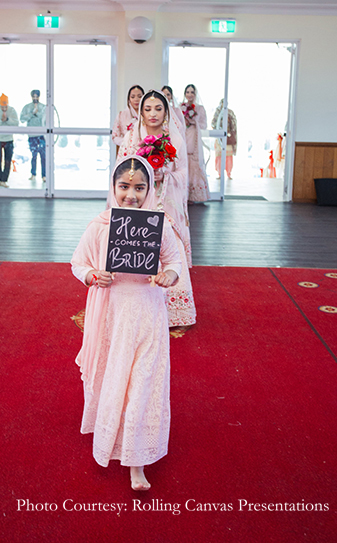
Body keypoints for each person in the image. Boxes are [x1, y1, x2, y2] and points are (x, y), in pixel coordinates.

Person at [71, 156, 181, 491]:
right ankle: (110, 442)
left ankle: (137, 463)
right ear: (113, 187)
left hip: (149, 312)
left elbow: (175, 261)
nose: (130, 194)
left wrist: (168, 275)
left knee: (145, 381)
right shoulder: (102, 225)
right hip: (114, 315)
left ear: (150, 189)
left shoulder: (159, 225)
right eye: (124, 187)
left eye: (139, 187)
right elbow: (78, 262)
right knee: (116, 377)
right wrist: (93, 275)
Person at [120, 90, 196, 327]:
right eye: (148, 109)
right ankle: (139, 309)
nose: (153, 114)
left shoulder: (176, 140)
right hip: (139, 202)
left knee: (171, 250)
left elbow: (184, 174)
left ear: (166, 112)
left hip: (167, 204)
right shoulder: (132, 138)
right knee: (140, 250)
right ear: (141, 112)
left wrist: (166, 175)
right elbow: (121, 170)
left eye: (158, 109)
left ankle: (175, 311)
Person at [180, 84, 211, 203]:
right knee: (184, 163)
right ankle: (183, 195)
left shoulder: (200, 108)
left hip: (194, 137)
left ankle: (194, 195)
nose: (189, 94)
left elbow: (204, 125)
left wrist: (193, 121)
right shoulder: (181, 107)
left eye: (192, 92)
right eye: (187, 92)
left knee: (193, 165)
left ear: (195, 94)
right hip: (184, 136)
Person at [0, 93, 19, 187]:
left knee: (8, 160)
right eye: (2, 106)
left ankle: (4, 180)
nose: (4, 108)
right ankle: (0, 179)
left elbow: (16, 124)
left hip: (8, 139)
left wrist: (7, 119)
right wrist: (1, 121)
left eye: (5, 106)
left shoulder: (12, 110)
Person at [20, 90, 47, 182]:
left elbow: (46, 119)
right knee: (33, 156)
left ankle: (44, 175)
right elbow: (22, 119)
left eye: (37, 96)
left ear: (39, 96)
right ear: (31, 96)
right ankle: (33, 174)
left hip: (42, 136)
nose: (35, 98)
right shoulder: (27, 107)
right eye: (33, 96)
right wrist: (31, 113)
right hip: (32, 135)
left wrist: (37, 113)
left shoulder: (43, 107)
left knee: (43, 156)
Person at [212, 99, 237, 179]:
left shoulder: (230, 112)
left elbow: (234, 124)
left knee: (228, 157)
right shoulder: (218, 113)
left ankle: (229, 174)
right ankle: (220, 174)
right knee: (219, 157)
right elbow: (213, 123)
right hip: (220, 138)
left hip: (228, 138)